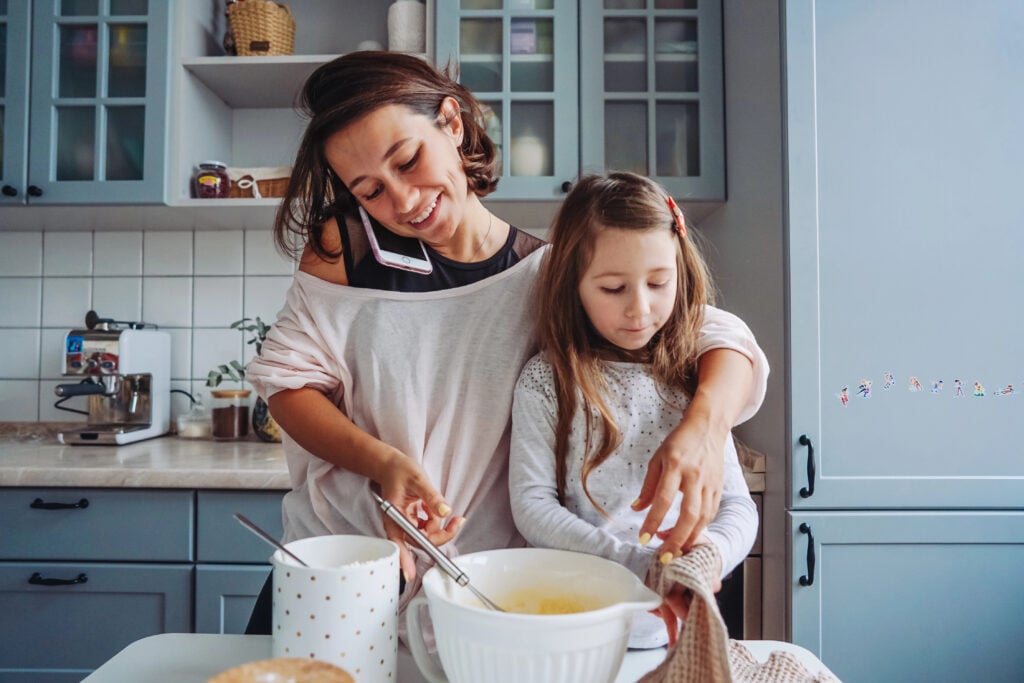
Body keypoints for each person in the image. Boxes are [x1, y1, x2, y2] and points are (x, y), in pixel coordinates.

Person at [244, 51, 768, 633]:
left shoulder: (544, 276)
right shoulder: (343, 250)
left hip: (479, 585)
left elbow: (715, 335)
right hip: (340, 566)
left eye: (409, 160)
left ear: (452, 121)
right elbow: (287, 387)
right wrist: (383, 463)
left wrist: (704, 427)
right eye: (370, 190)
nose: (403, 201)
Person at [508, 172, 760, 649]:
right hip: (576, 633)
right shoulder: (548, 380)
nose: (639, 309)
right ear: (573, 286)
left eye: (659, 283)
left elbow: (737, 507)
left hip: (680, 638)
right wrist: (638, 565)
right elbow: (532, 505)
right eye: (612, 288)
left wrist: (705, 561)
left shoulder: (694, 376)